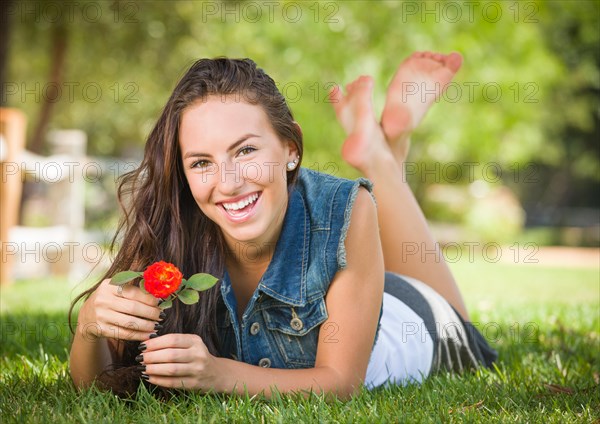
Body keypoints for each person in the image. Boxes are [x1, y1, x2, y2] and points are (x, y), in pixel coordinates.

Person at [69, 52, 497, 399]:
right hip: (359, 292)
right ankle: (384, 147)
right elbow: (94, 383)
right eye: (202, 162)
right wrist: (90, 324)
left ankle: (381, 156)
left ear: (290, 147)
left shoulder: (344, 209)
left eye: (246, 151)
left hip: (410, 321)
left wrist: (218, 375)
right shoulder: (172, 222)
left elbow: (340, 383)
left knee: (464, 324)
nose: (228, 183)